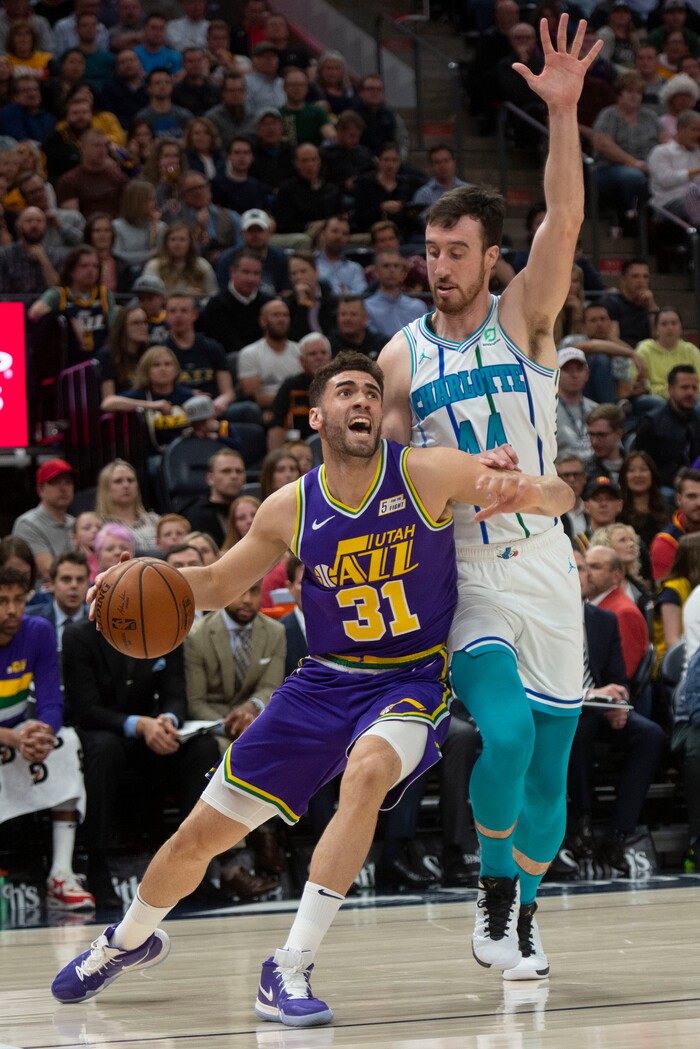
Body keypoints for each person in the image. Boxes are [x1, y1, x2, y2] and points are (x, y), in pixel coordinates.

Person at [51, 350, 572, 1019]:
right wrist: (139, 579)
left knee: (368, 769)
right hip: (322, 683)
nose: (362, 401)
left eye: (371, 393)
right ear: (318, 415)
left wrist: (528, 487)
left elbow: (556, 495)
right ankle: (125, 941)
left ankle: (288, 965)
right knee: (198, 838)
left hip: (408, 681)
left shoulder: (426, 470)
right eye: (347, 391)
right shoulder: (289, 506)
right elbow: (213, 584)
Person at [377, 15, 601, 981]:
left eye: (455, 250)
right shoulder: (399, 354)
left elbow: (566, 221)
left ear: (490, 257)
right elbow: (381, 476)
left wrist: (562, 116)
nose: (439, 265)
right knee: (503, 733)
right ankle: (494, 891)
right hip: (465, 572)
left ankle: (527, 909)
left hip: (547, 560)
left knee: (551, 770)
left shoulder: (524, 319)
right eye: (430, 249)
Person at [0, 566, 95, 910]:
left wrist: (42, 732)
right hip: (8, 735)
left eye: (17, 600)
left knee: (66, 744)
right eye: (2, 602)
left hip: (17, 733)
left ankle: (61, 874)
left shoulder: (37, 631)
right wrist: (12, 737)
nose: (12, 610)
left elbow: (52, 701)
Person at [566, 548, 665, 873]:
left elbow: (617, 678)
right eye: (574, 568)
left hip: (597, 709)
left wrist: (618, 705)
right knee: (578, 727)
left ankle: (619, 833)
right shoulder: (541, 620)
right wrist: (591, 695)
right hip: (561, 710)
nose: (583, 575)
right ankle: (581, 822)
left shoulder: (603, 619)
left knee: (649, 734)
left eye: (585, 569)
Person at [634, 364, 700, 490]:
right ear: (670, 389)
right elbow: (642, 466)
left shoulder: (697, 420)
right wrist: (673, 481)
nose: (690, 393)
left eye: (694, 388)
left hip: (694, 483)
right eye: (684, 388)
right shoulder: (651, 423)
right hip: (662, 485)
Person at [12, 458, 76, 581]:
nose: (63, 488)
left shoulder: (76, 523)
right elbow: (49, 571)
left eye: (68, 482)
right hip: (42, 599)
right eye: (55, 482)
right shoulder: (27, 524)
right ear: (40, 490)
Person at [267, 332, 332, 448]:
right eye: (312, 354)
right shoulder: (291, 385)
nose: (319, 357)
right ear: (302, 361)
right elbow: (276, 426)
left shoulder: (340, 385)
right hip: (297, 450)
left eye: (323, 352)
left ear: (330, 358)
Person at [186, 447, 248, 547]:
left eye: (239, 471)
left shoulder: (255, 509)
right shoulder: (197, 516)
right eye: (226, 471)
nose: (234, 476)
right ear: (210, 478)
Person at [95, 458, 160, 551]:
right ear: (106, 488)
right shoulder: (98, 526)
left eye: (130, 480)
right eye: (118, 481)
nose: (126, 485)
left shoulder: (155, 520)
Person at [650, 467, 700, 582]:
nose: (699, 503)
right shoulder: (665, 541)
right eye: (691, 496)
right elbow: (669, 594)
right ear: (678, 500)